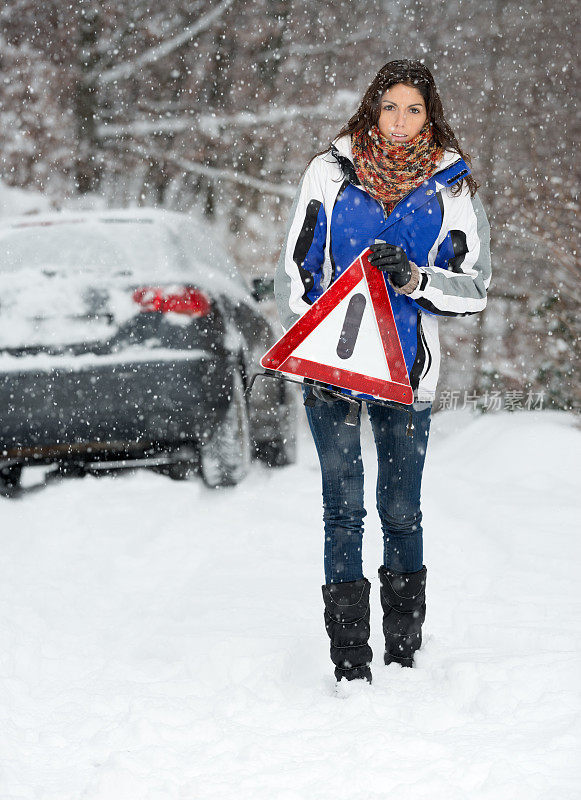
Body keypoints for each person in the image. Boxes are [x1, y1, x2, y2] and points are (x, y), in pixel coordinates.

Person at [274, 59, 491, 683]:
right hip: (334, 368)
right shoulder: (329, 172)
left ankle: (403, 649)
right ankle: (349, 656)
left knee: (401, 510)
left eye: (414, 109)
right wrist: (329, 316)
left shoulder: (453, 186)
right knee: (341, 507)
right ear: (372, 106)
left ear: (431, 115)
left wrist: (417, 280)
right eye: (390, 106)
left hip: (408, 372)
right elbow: (300, 269)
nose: (400, 121)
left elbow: (475, 289)